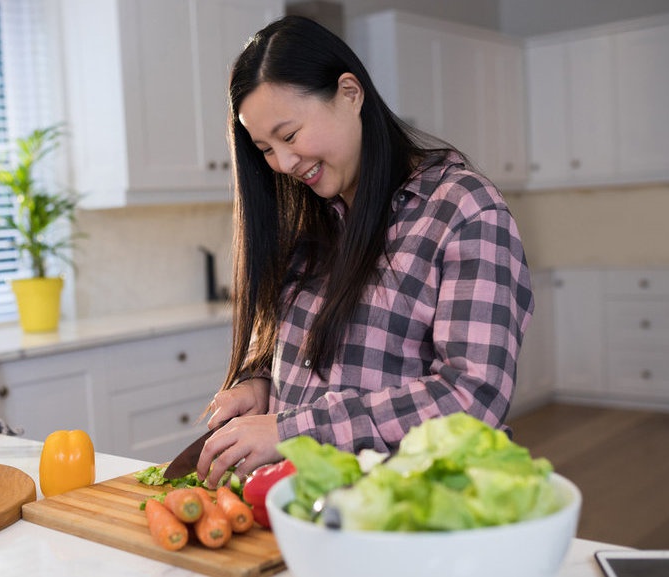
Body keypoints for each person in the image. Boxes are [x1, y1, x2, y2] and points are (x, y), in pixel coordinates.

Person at [195, 16, 534, 487]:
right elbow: (286, 348)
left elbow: (470, 398)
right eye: (265, 148)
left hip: (412, 507)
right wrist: (257, 382)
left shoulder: (463, 209)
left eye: (289, 136)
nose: (283, 163)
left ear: (350, 94)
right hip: (303, 504)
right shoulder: (306, 218)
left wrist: (293, 431)